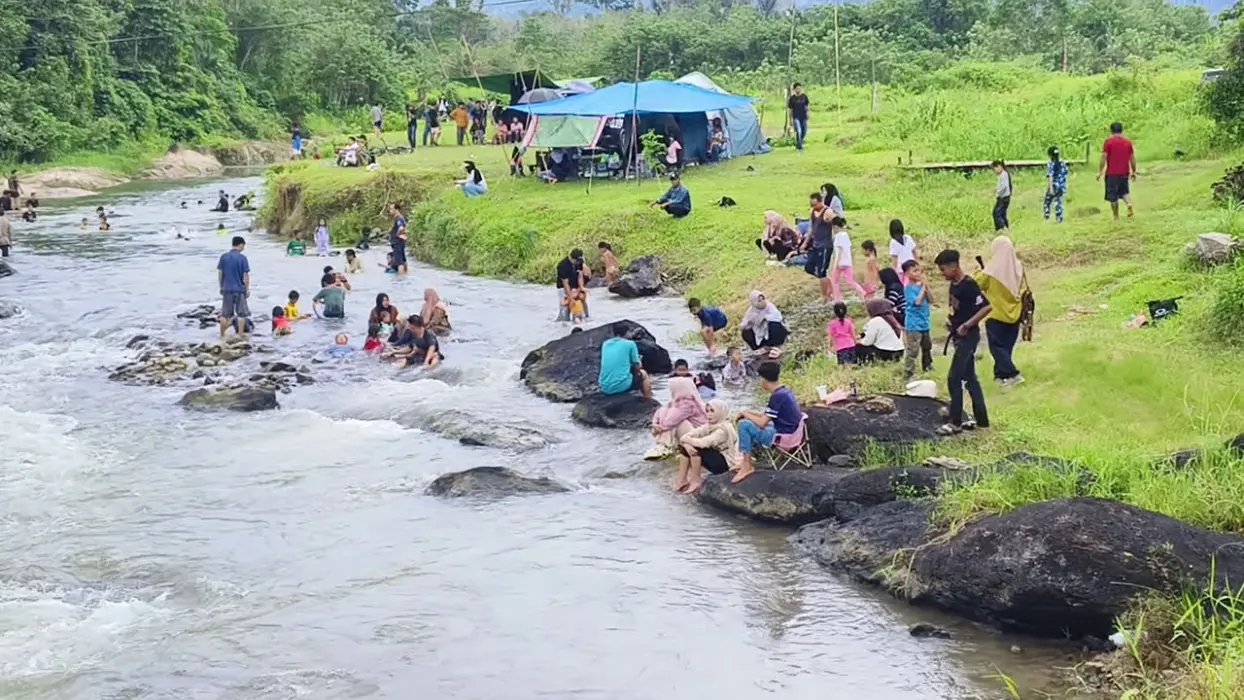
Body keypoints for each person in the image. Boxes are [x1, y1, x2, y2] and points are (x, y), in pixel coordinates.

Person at [935, 249, 991, 434]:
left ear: (953, 266)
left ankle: (955, 422)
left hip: (968, 337)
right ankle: (982, 420)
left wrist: (967, 325)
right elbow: (955, 307)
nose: (942, 274)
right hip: (958, 336)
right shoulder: (954, 285)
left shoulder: (969, 285)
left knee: (954, 378)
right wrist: (950, 320)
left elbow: (986, 307)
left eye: (943, 270)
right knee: (970, 379)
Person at [733, 362, 801, 483]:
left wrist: (744, 413)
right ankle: (746, 461)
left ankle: (747, 465)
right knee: (749, 421)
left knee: (743, 425)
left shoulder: (777, 397)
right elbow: (767, 416)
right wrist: (749, 413)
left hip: (783, 438)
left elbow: (762, 423)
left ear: (763, 380)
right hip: (792, 432)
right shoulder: (784, 391)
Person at [977, 235, 1027, 387]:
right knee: (1006, 347)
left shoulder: (991, 271)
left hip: (996, 313)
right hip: (1015, 313)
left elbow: (978, 284)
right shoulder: (1019, 267)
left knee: (997, 347)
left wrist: (979, 271)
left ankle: (1013, 374)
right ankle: (1000, 375)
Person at [677, 399, 741, 493]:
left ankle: (696, 481)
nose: (709, 414)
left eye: (712, 411)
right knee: (686, 447)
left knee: (696, 447)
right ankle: (682, 480)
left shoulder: (723, 429)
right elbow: (687, 435)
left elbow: (703, 443)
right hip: (716, 458)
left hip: (725, 464)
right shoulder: (710, 425)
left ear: (720, 412)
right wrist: (686, 444)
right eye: (707, 411)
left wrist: (687, 442)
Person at [646, 376, 708, 460]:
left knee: (679, 422)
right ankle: (665, 445)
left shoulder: (688, 403)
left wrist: (658, 428)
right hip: (692, 434)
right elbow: (659, 411)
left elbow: (671, 421)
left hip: (700, 436)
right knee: (667, 413)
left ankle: (665, 446)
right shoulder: (677, 401)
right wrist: (655, 423)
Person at [598, 323, 653, 399]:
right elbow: (638, 367)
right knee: (644, 374)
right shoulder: (630, 344)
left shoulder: (605, 344)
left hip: (604, 386)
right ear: (627, 332)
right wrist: (639, 360)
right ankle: (648, 400)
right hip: (621, 385)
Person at [901, 260, 935, 380]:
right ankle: (908, 373)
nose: (918, 273)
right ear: (907, 274)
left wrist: (926, 287)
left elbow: (931, 300)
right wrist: (923, 287)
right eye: (914, 271)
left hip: (924, 322)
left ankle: (927, 366)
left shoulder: (921, 286)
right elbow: (917, 302)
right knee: (913, 350)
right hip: (913, 324)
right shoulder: (908, 288)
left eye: (919, 270)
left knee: (927, 346)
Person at [1099, 122, 1136, 220]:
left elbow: (1104, 157)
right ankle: (1129, 203)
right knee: (1124, 192)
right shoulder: (1127, 143)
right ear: (1121, 130)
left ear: (1111, 131)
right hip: (1124, 173)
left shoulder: (1108, 142)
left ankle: (1116, 216)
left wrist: (1100, 171)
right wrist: (1134, 171)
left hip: (1112, 174)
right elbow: (1132, 158)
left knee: (1113, 196)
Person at [216, 236, 251, 339]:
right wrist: (247, 289)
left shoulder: (224, 257)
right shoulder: (242, 258)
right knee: (241, 314)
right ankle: (240, 335)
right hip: (239, 289)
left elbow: (220, 273)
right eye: (243, 246)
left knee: (224, 314)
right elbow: (246, 275)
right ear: (240, 245)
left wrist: (221, 286)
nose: (243, 248)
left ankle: (222, 336)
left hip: (227, 289)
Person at [829, 216, 868, 303]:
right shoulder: (846, 235)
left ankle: (837, 299)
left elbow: (839, 251)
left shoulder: (838, 236)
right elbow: (849, 249)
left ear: (835, 227)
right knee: (851, 281)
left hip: (839, 263)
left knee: (834, 281)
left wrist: (836, 264)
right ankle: (862, 292)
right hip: (847, 262)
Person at [856, 299, 904, 364]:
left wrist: (858, 341)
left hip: (885, 352)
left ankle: (861, 363)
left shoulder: (875, 321)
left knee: (858, 347)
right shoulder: (893, 319)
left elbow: (868, 342)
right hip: (900, 352)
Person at [804, 194, 833, 298]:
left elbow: (831, 220)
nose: (813, 207)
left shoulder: (828, 211)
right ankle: (828, 282)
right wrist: (805, 243)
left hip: (825, 245)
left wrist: (828, 219)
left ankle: (825, 296)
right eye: (812, 205)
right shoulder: (812, 212)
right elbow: (811, 229)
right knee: (809, 267)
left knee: (822, 271)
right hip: (815, 244)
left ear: (821, 202)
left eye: (815, 205)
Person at [556, 248, 586, 322]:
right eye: (577, 261)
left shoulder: (579, 263)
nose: (578, 263)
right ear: (572, 259)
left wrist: (581, 287)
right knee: (565, 306)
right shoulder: (562, 265)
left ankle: (585, 317)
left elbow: (580, 275)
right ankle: (564, 321)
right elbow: (565, 283)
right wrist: (570, 297)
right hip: (563, 288)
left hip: (575, 285)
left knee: (581, 300)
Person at [1045, 146, 1068, 224]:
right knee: (1058, 201)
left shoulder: (1051, 163)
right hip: (1061, 185)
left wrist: (1051, 188)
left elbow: (1050, 176)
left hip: (1054, 185)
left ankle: (1047, 216)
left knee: (1047, 201)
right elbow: (1065, 172)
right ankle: (1059, 217)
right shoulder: (1062, 162)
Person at [787, 83, 809, 151]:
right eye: (797, 88)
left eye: (800, 88)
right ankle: (800, 147)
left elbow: (807, 106)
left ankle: (798, 143)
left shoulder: (804, 97)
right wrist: (790, 119)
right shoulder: (792, 99)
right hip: (796, 117)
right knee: (799, 131)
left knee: (804, 131)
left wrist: (808, 113)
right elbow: (790, 110)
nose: (799, 90)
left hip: (803, 116)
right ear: (794, 89)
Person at [387, 203, 408, 274]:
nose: (390, 211)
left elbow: (401, 228)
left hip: (397, 242)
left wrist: (397, 234)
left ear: (397, 210)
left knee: (399, 262)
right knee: (403, 260)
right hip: (400, 242)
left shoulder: (399, 218)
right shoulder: (400, 218)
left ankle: (400, 279)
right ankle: (406, 274)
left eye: (391, 209)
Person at [992, 160, 1011, 233]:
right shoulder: (1004, 174)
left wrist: (998, 193)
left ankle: (1002, 227)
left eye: (995, 169)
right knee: (1002, 213)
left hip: (1003, 197)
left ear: (999, 167)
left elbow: (1004, 186)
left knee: (996, 213)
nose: (995, 171)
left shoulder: (1003, 175)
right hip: (1005, 197)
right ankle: (1005, 227)